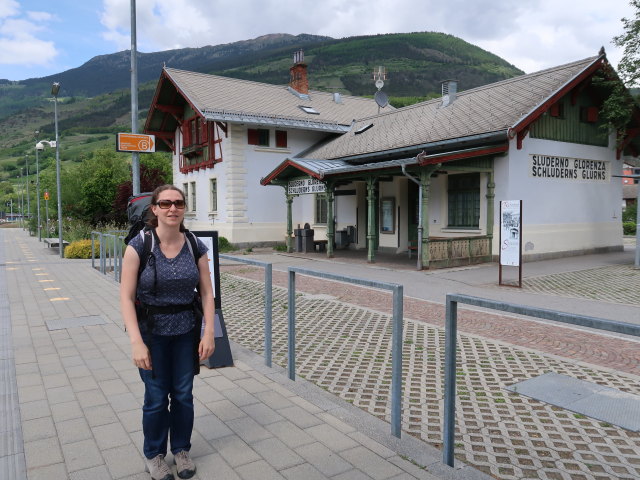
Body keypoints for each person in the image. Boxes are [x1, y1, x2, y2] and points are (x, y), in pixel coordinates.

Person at [120, 185, 215, 480]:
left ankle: (182, 450)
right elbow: (125, 296)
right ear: (155, 209)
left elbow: (207, 294)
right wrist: (136, 342)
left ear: (184, 208)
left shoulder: (194, 245)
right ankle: (155, 454)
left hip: (186, 331)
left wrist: (208, 331)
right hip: (152, 333)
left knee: (184, 395)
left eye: (178, 203)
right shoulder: (139, 245)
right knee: (157, 396)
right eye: (166, 203)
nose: (172, 208)